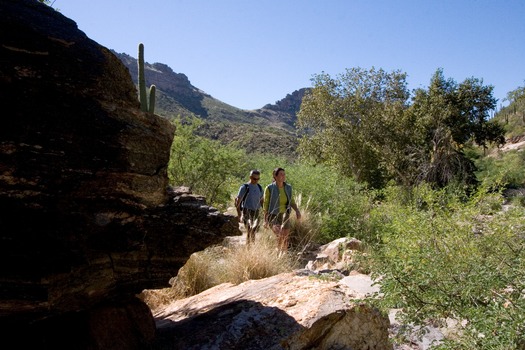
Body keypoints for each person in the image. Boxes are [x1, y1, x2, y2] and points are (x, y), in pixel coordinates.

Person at [263, 167, 301, 253]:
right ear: (275, 176)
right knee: (280, 235)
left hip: (285, 215)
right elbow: (265, 204)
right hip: (273, 215)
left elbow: (291, 201)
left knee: (285, 237)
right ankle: (277, 252)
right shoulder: (269, 188)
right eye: (281, 174)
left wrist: (297, 211)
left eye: (284, 174)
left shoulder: (288, 187)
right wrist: (265, 219)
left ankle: (284, 255)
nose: (283, 176)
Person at [235, 170, 264, 244]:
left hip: (256, 211)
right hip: (246, 210)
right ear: (250, 177)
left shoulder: (260, 188)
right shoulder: (244, 187)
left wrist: (264, 211)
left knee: (254, 229)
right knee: (249, 229)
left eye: (258, 179)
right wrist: (239, 214)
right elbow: (238, 201)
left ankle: (252, 245)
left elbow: (261, 200)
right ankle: (248, 245)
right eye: (254, 179)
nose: (256, 180)